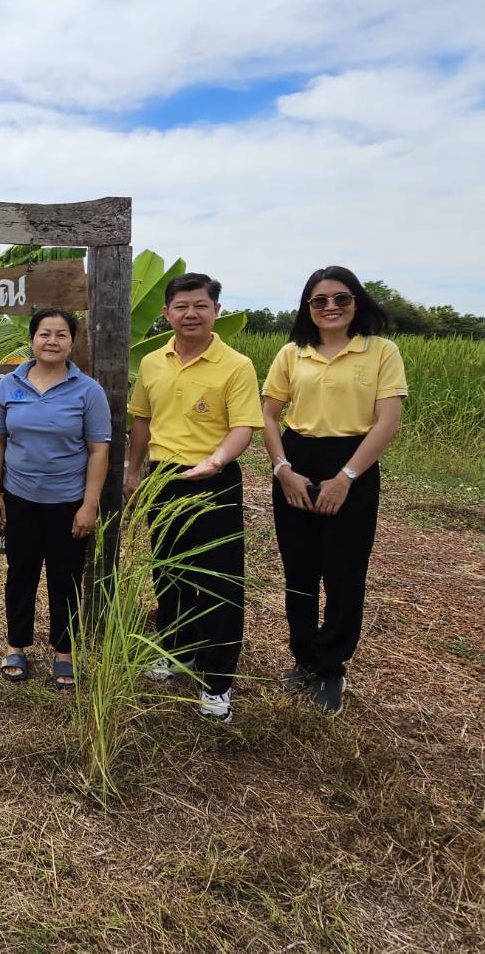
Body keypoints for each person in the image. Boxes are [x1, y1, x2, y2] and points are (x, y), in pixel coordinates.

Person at [262, 267, 406, 716]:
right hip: (297, 458)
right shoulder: (292, 353)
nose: (330, 307)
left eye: (340, 298)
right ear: (307, 307)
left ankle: (331, 667)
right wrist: (282, 467)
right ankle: (303, 658)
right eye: (319, 300)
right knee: (299, 570)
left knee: (344, 572)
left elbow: (387, 423)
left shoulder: (380, 351)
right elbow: (268, 415)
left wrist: (346, 478)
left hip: (354, 461)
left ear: (356, 302)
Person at [125, 273, 263, 723]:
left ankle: (217, 681)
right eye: (181, 306)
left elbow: (243, 425)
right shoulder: (152, 362)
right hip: (162, 477)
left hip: (213, 479)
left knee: (219, 581)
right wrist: (133, 469)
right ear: (166, 313)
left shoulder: (236, 365)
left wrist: (217, 461)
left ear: (216, 311)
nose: (190, 314)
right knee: (168, 571)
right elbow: (142, 421)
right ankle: (176, 649)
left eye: (200, 306)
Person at [0, 307, 110, 689]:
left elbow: (99, 450)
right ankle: (16, 645)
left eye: (61, 335)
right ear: (32, 339)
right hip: (19, 498)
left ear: (72, 343)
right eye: (44, 333)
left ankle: (64, 652)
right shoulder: (9, 384)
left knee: (65, 577)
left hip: (68, 502)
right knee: (20, 574)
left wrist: (89, 505)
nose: (52, 341)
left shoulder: (88, 390)